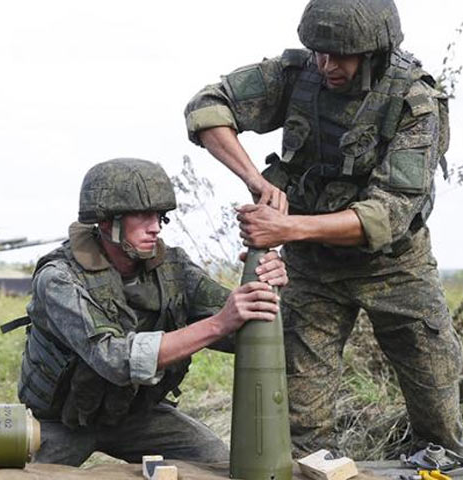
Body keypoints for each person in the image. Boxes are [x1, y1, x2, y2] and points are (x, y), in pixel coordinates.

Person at [184, 0, 463, 456]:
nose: (326, 65)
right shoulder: (298, 75)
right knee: (299, 426)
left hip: (396, 269)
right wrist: (257, 182)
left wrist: (286, 228)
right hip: (314, 272)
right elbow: (207, 108)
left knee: (437, 403)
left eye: (340, 56)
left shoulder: (415, 102)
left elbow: (387, 215)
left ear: (374, 53)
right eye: (319, 52)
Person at [7, 158, 287, 466]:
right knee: (18, 475)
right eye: (141, 216)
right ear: (105, 223)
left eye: (159, 216)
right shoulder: (60, 278)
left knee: (216, 464)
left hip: (134, 417)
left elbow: (242, 329)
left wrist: (262, 279)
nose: (155, 227)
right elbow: (115, 359)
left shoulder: (173, 268)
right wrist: (219, 323)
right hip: (61, 421)